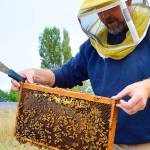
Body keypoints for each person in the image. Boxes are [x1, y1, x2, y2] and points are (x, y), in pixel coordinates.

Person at [11, 0, 150, 149]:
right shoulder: (92, 47)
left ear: (128, 1)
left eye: (108, 7)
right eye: (98, 10)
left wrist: (146, 87)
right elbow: (64, 74)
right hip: (105, 143)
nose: (104, 16)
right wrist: (33, 73)